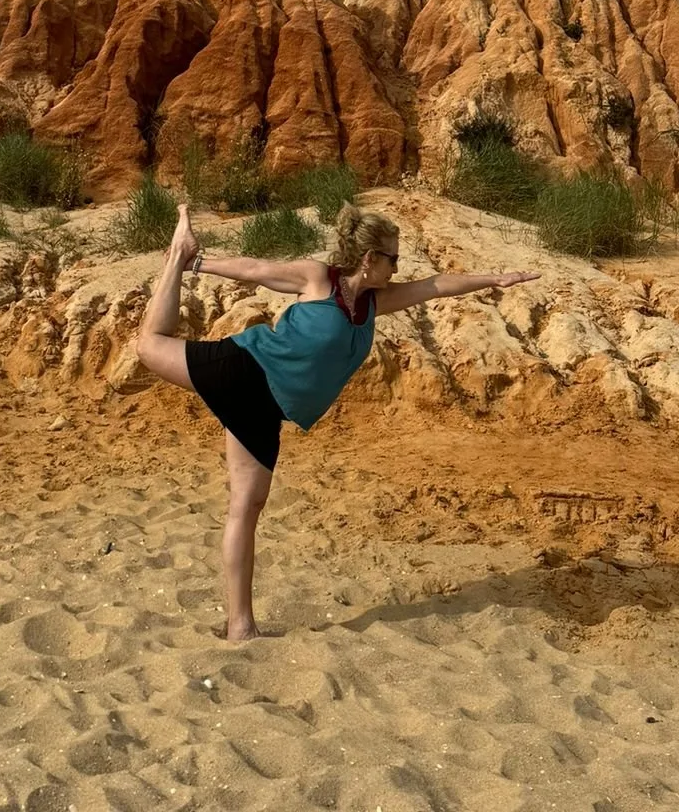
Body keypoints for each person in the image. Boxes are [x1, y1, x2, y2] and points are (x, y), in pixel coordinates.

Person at [134, 199, 541, 641]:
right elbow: (254, 269)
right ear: (370, 259)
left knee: (247, 506)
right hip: (243, 368)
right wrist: (202, 264)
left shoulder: (373, 304)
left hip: (266, 409)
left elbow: (436, 285)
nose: (397, 267)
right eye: (393, 258)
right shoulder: (316, 278)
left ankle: (240, 626)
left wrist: (494, 279)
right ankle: (178, 254)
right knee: (149, 346)